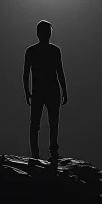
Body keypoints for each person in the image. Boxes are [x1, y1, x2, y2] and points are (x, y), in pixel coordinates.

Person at [23, 20, 68, 160]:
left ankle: (53, 151)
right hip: (38, 91)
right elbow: (26, 73)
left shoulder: (55, 50)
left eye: (48, 32)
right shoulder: (31, 51)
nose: (47, 34)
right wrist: (26, 90)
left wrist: (64, 89)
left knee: (53, 123)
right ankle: (35, 154)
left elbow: (60, 71)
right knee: (36, 124)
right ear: (38, 33)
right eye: (45, 32)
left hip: (52, 91)